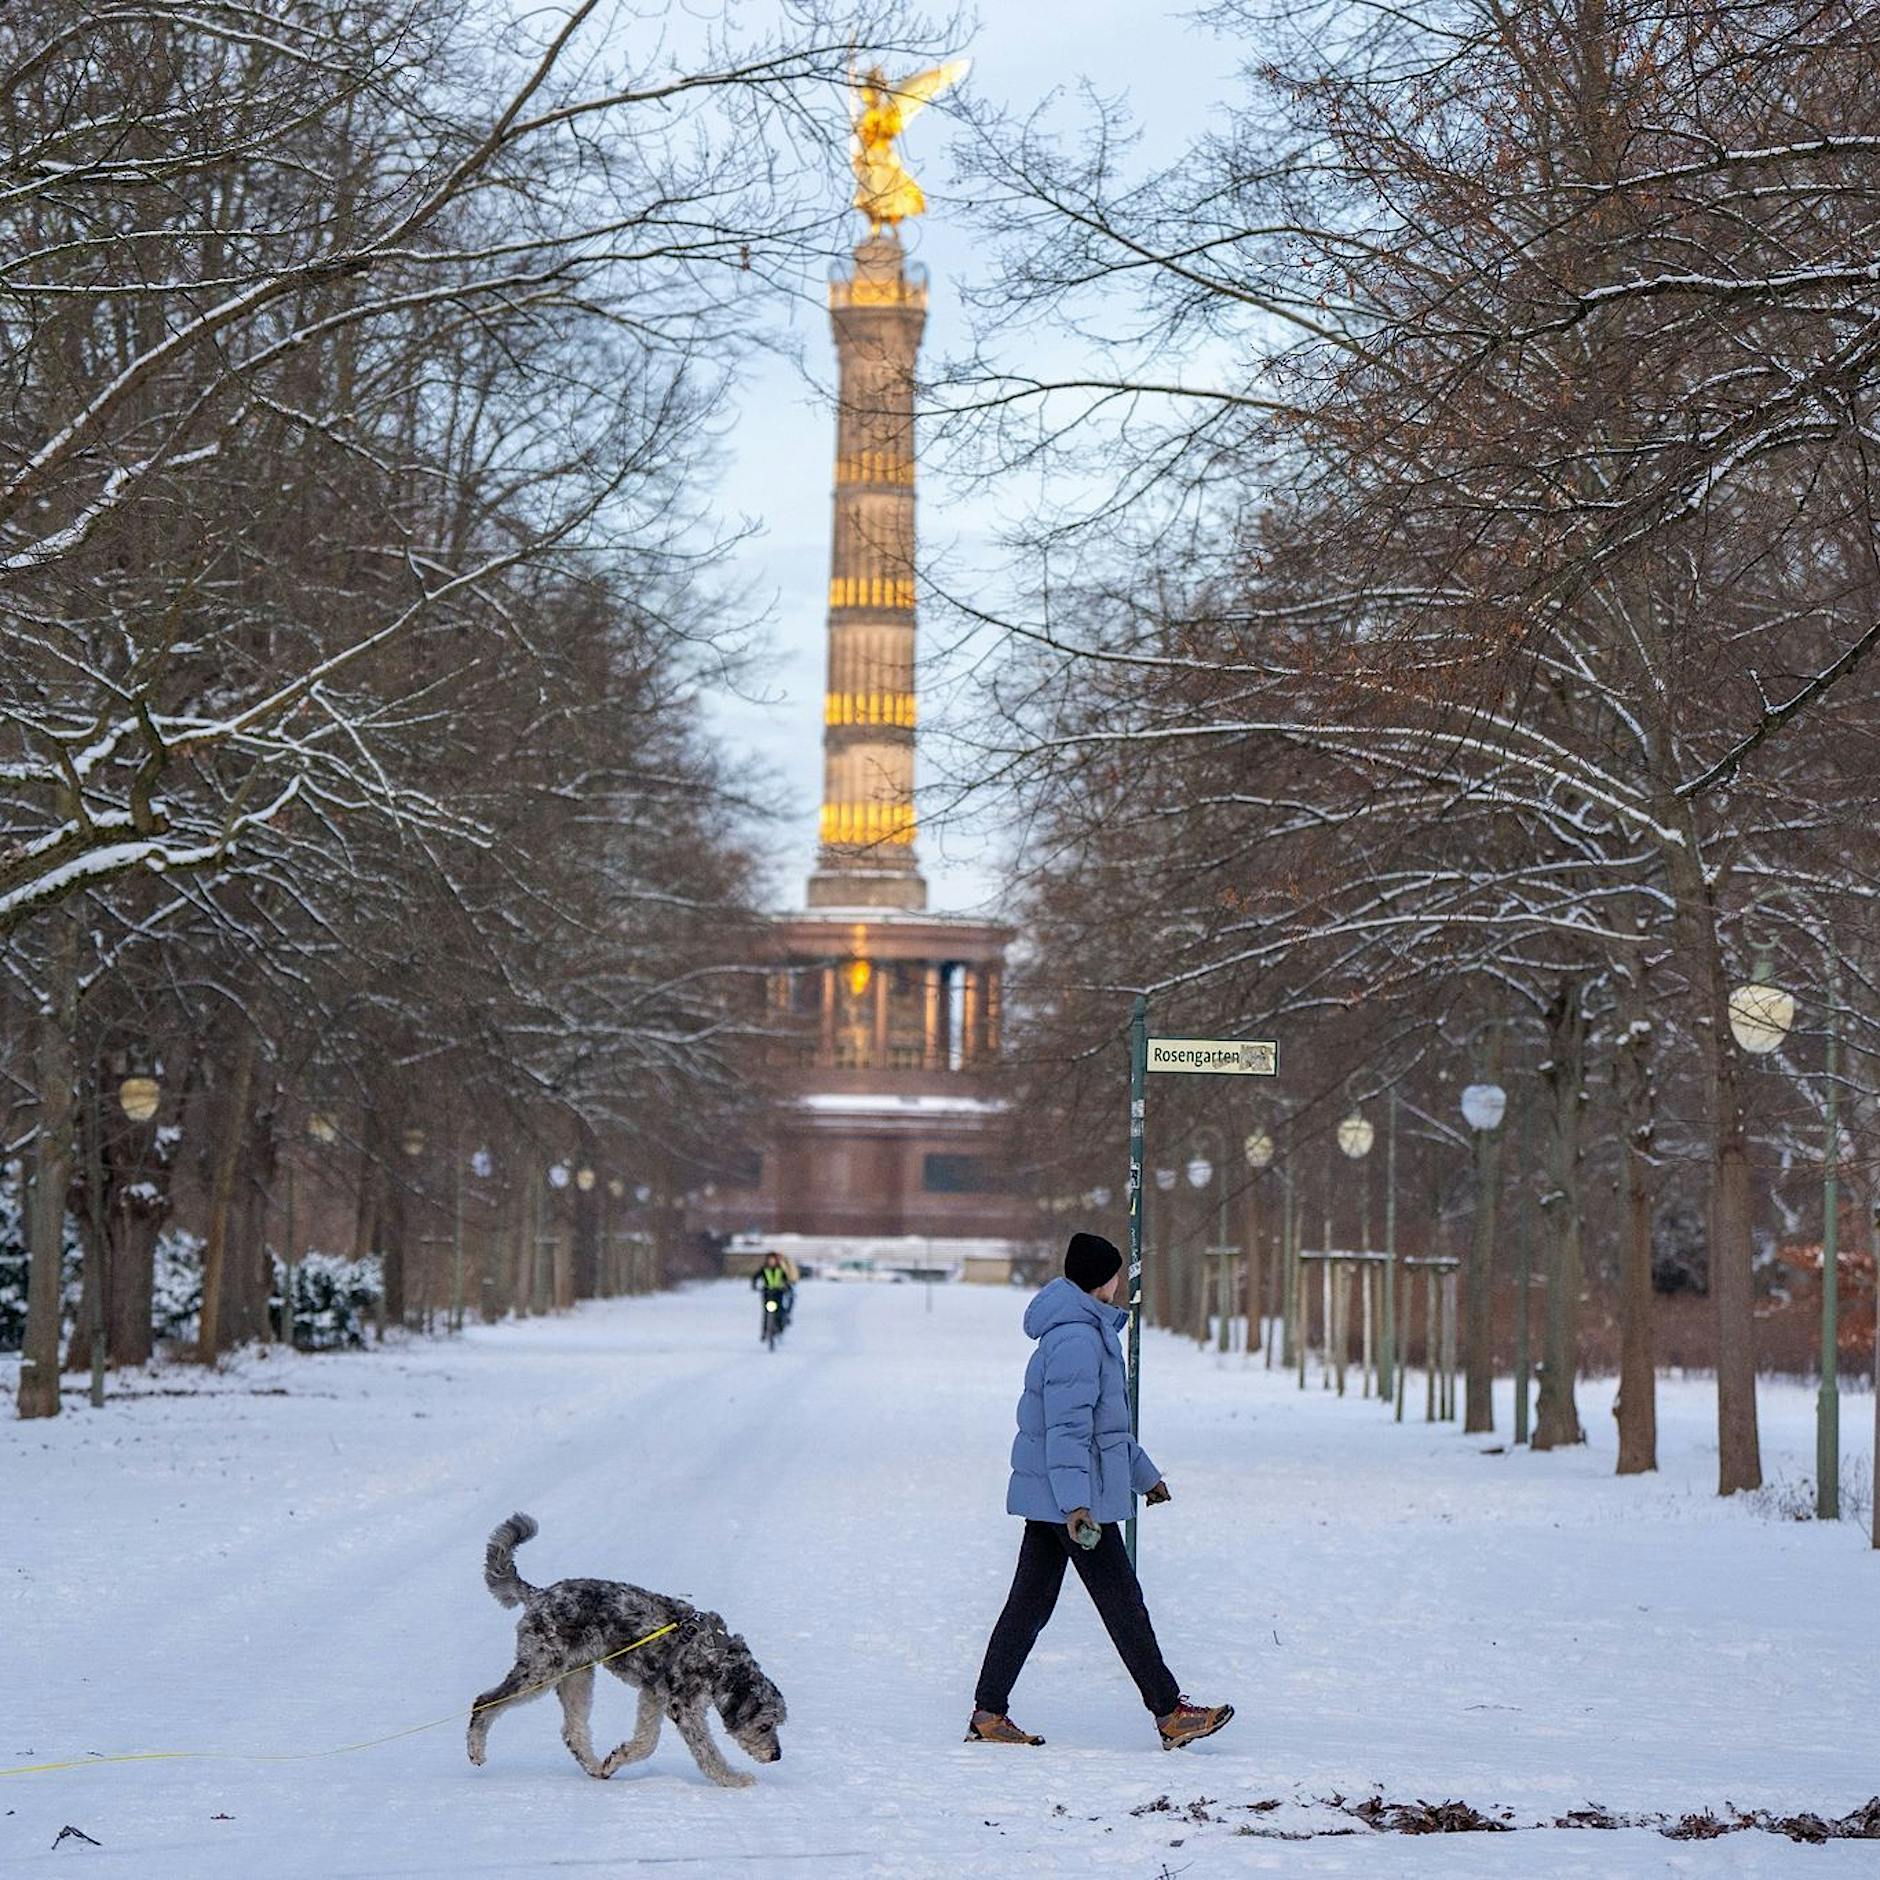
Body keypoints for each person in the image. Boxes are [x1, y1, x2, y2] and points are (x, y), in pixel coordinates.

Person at [967, 1231, 1234, 1752]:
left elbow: (1106, 1430)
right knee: (1121, 1602)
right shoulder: (1077, 1339)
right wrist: (1077, 1505)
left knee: (1029, 1605)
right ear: (1102, 1279)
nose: (1121, 1282)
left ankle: (988, 1712)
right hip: (1071, 1501)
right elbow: (1067, 1432)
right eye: (1116, 1273)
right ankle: (1169, 1711)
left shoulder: (1084, 1332)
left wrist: (1145, 1477)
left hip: (1061, 1496)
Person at [751, 1253, 795, 1338]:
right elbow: (755, 1277)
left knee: (779, 1311)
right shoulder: (764, 1269)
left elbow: (786, 1280)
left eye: (773, 1260)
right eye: (770, 1260)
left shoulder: (780, 1270)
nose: (771, 1262)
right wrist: (754, 1285)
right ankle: (765, 1332)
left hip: (778, 1293)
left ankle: (779, 1327)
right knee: (767, 1313)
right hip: (767, 1293)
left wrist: (787, 1287)